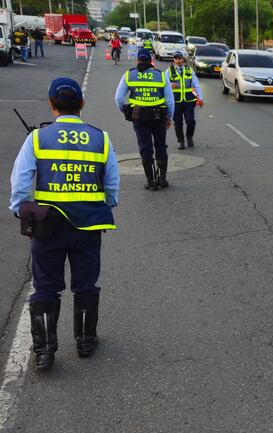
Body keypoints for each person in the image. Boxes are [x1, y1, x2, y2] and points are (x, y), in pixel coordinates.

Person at [9, 78, 120, 371]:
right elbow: (112, 185)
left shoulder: (37, 139)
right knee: (85, 283)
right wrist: (103, 206)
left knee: (45, 285)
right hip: (88, 225)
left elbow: (20, 184)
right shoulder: (101, 138)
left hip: (47, 226)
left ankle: (44, 351)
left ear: (51, 104)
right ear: (81, 105)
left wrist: (21, 213)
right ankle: (85, 341)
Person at [114, 48, 174, 190]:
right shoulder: (160, 75)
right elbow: (170, 101)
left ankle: (151, 182)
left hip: (139, 116)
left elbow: (118, 98)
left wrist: (125, 111)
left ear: (138, 60)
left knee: (145, 148)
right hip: (158, 116)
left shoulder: (129, 75)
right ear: (151, 60)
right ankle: (162, 179)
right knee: (161, 146)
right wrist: (169, 117)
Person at [165, 51, 204, 149]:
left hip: (189, 101)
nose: (178, 61)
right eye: (176, 58)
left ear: (183, 59)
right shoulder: (168, 71)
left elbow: (196, 85)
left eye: (179, 58)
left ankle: (189, 137)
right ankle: (181, 141)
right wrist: (170, 85)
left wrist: (200, 98)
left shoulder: (189, 70)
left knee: (191, 121)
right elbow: (163, 85)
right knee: (177, 123)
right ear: (173, 60)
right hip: (176, 101)